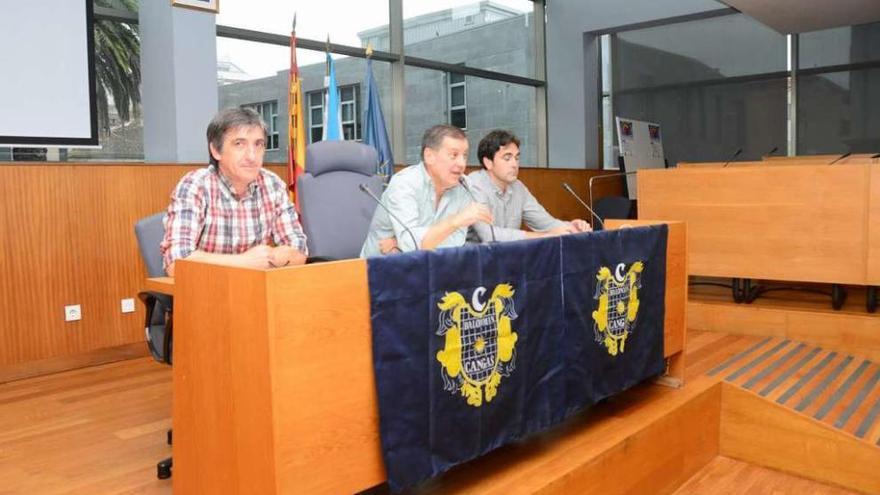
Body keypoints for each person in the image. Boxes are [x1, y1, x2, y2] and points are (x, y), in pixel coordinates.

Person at [160, 107, 308, 276]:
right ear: (216, 150)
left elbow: (299, 250)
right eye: (239, 144)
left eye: (258, 144)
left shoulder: (272, 184)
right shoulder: (196, 186)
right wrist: (243, 262)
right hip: (207, 292)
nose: (252, 156)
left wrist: (269, 257)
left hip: (255, 291)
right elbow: (176, 263)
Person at [360, 125, 493, 257]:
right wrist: (454, 221)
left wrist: (399, 243)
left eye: (464, 156)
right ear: (429, 156)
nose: (462, 163)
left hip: (430, 266)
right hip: (380, 270)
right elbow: (411, 245)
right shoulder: (405, 184)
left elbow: (456, 242)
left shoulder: (464, 186)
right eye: (454, 155)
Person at [467, 130, 591, 243]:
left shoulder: (518, 187)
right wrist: (544, 236)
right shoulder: (474, 185)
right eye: (507, 158)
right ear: (488, 162)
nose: (514, 164)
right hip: (475, 262)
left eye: (517, 158)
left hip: (507, 259)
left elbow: (545, 222)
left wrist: (570, 227)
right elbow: (489, 235)